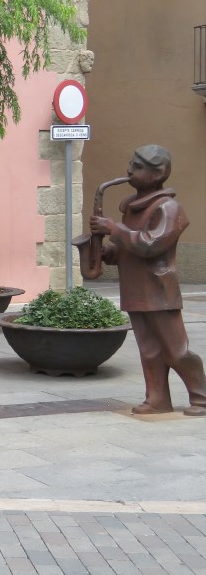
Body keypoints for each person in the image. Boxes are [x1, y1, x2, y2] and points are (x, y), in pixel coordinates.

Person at [90, 144, 206, 415]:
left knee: (177, 351)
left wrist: (113, 229)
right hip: (135, 289)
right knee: (149, 350)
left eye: (138, 166)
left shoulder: (169, 208)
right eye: (131, 163)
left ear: (158, 173)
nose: (130, 170)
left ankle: (202, 397)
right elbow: (129, 249)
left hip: (158, 290)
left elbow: (150, 245)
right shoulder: (132, 208)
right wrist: (107, 252)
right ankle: (157, 399)